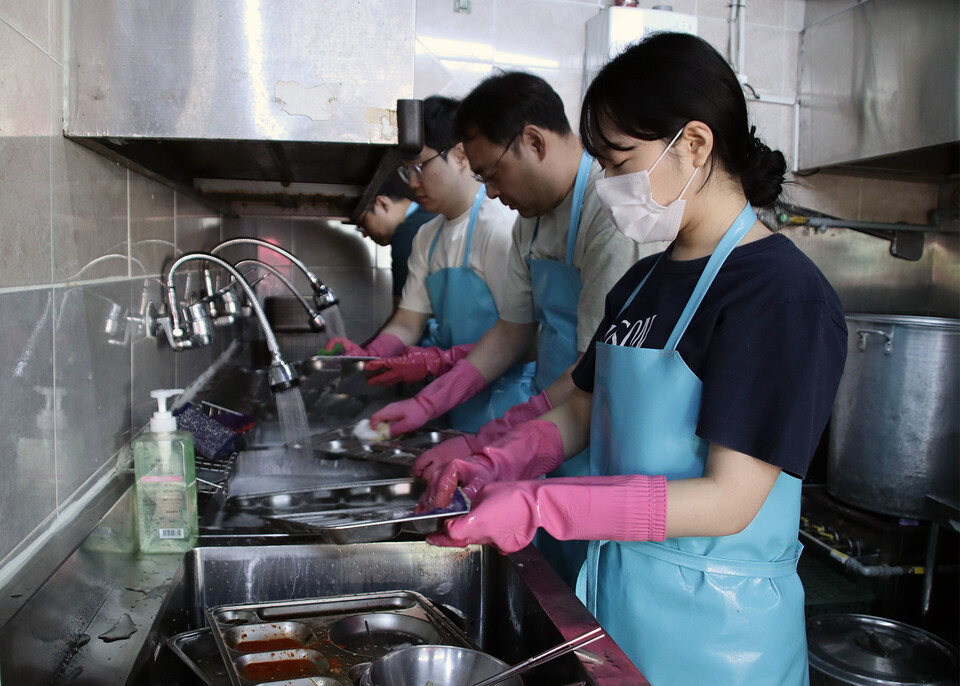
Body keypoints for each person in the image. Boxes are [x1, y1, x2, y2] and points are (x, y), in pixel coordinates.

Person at [418, 33, 848, 685]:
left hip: (716, 640)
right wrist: (500, 459)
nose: (610, 185)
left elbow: (729, 501)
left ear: (695, 146)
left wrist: (543, 506)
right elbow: (585, 408)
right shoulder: (644, 282)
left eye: (620, 162)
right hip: (615, 604)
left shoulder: (778, 295)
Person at [368, 72, 650, 587]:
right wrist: (429, 405)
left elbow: (595, 371)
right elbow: (512, 333)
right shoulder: (529, 223)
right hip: (552, 431)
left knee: (590, 584)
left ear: (534, 142)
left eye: (492, 175)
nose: (491, 194)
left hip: (603, 439)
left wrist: (491, 442)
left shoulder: (610, 218)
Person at [325, 95, 530, 432]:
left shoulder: (500, 227)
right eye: (405, 173)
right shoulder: (427, 237)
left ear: (462, 155)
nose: (413, 183)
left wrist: (437, 360)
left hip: (506, 405)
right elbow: (408, 321)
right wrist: (369, 355)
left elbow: (521, 338)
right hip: (453, 399)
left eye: (420, 167)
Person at [356, 173, 436, 308]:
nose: (365, 234)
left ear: (382, 203)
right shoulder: (431, 215)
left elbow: (404, 312)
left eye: (363, 223)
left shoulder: (407, 234)